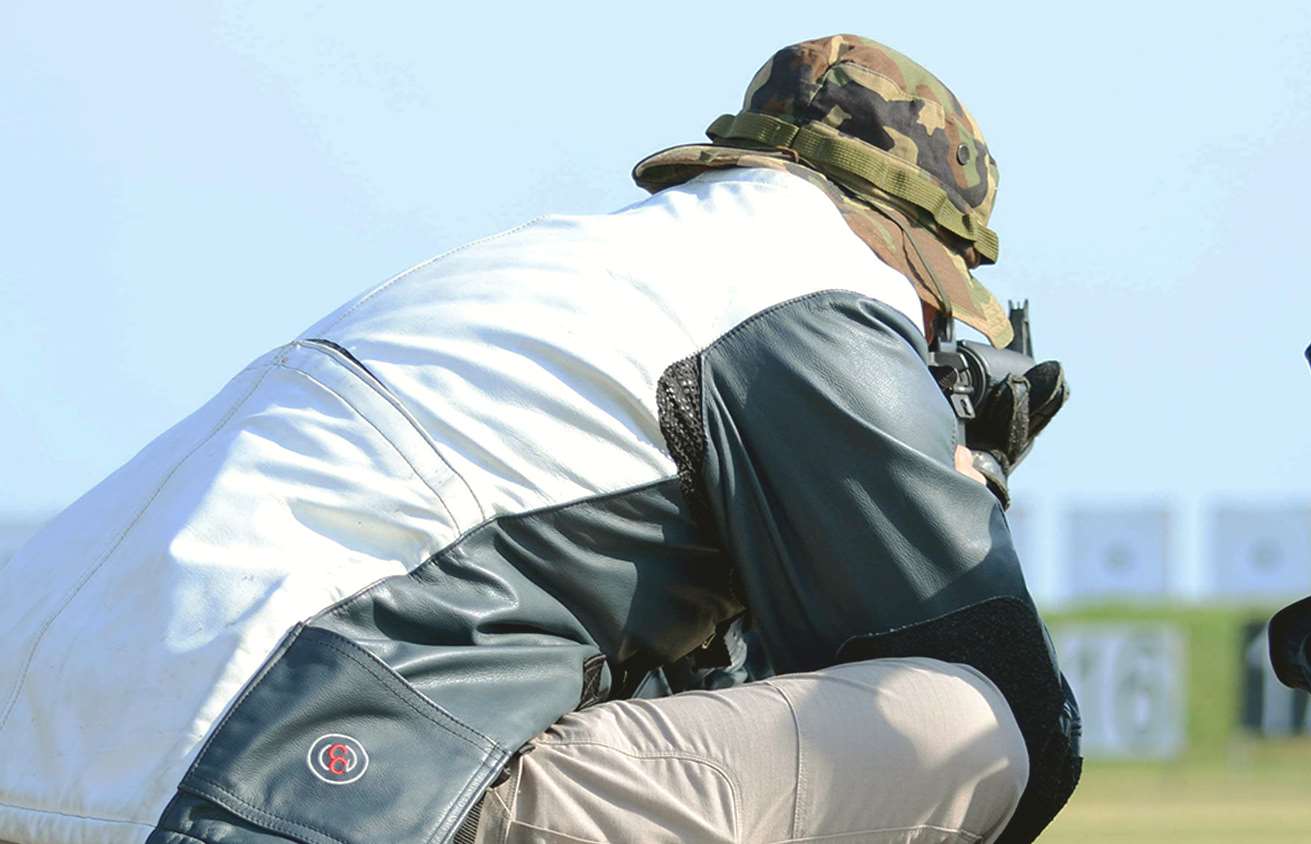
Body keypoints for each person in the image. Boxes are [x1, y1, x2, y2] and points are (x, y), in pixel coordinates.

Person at [0, 34, 1079, 844]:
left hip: (59, 769)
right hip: (280, 782)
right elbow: (1021, 708)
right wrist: (957, 481)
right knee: (969, 724)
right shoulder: (812, 276)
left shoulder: (575, 268)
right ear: (914, 253)